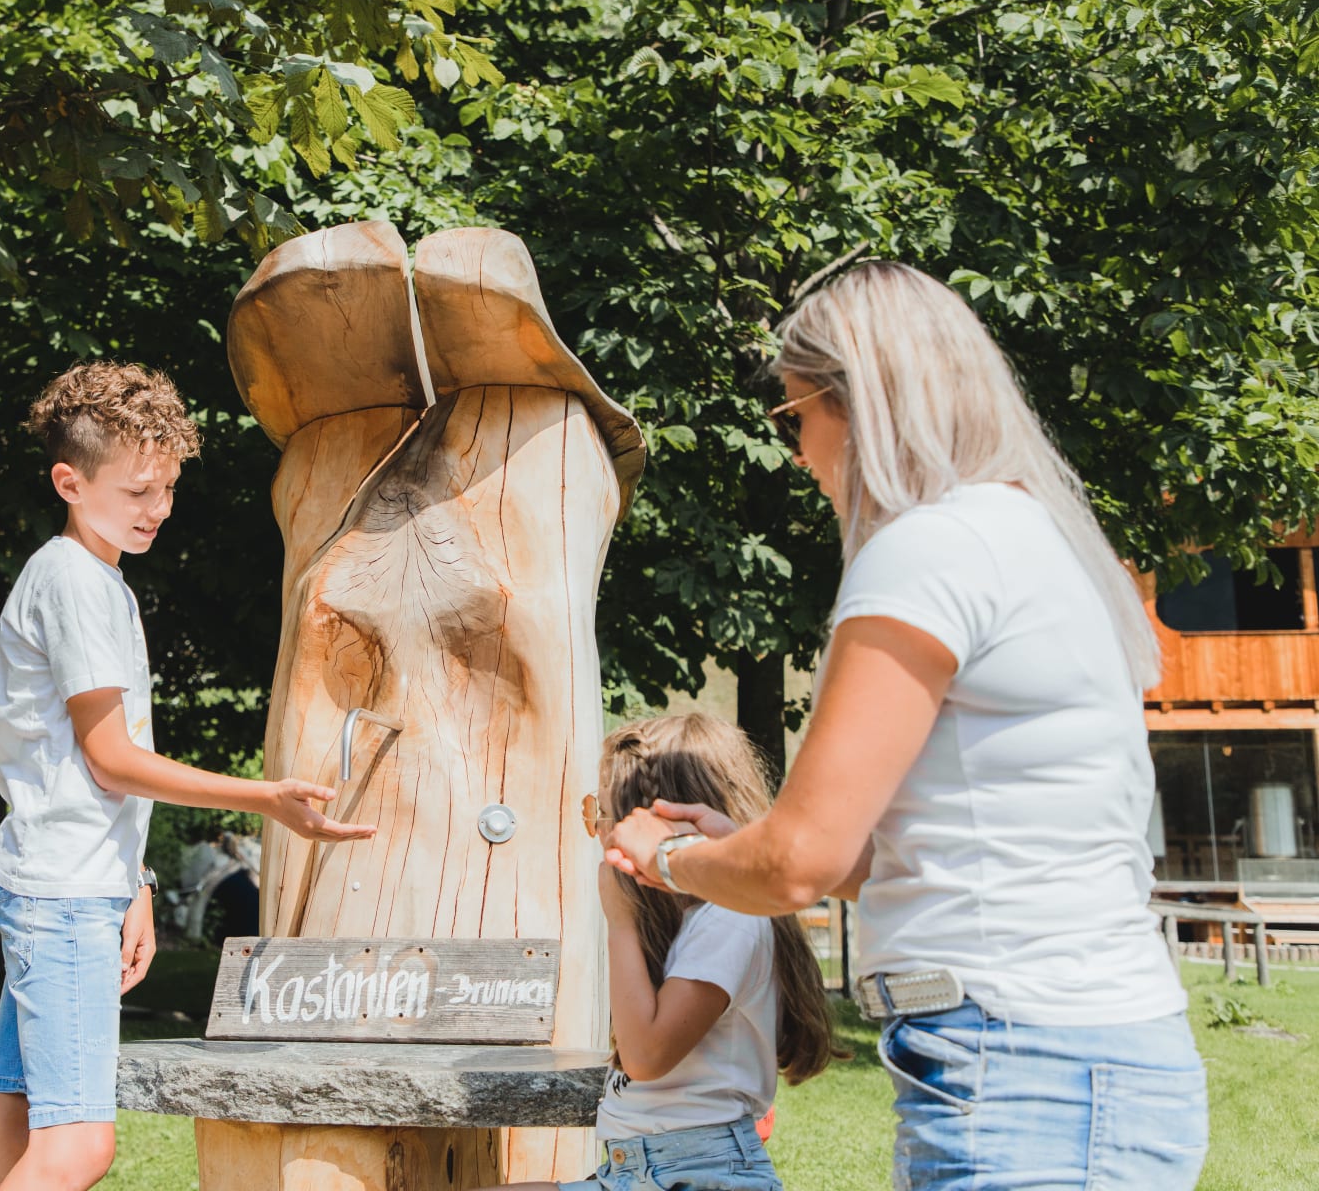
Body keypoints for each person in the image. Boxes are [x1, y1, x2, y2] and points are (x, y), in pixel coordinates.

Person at [605, 262, 1207, 1191]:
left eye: (795, 416)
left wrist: (664, 860)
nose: (799, 454)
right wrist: (737, 838)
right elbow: (877, 858)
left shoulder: (929, 548)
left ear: (857, 404)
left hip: (1017, 1068)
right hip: (1066, 1060)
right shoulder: (1029, 541)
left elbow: (798, 864)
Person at [0, 361, 376, 1191]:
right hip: (61, 894)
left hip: (62, 877)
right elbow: (111, 759)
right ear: (69, 482)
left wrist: (139, 881)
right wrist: (266, 798)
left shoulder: (95, 578)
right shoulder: (78, 584)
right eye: (137, 492)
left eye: (167, 489)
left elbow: (89, 780)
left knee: (19, 1116)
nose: (158, 509)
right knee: (80, 1147)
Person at [486, 713, 840, 1191]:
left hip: (697, 1172)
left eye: (606, 816)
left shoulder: (730, 917)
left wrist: (621, 919)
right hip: (639, 1171)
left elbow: (647, 1055)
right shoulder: (697, 922)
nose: (599, 835)